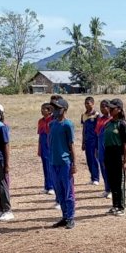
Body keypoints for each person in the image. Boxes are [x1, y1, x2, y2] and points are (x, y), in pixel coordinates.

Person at [48, 98, 76, 230]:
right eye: (53, 108)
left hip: (65, 163)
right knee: (59, 192)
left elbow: (71, 145)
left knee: (68, 192)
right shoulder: (52, 124)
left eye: (57, 108)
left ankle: (71, 218)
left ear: (64, 109)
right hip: (53, 162)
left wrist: (74, 163)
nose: (54, 110)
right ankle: (64, 217)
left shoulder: (67, 125)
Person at [103, 98, 126, 216]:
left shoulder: (122, 124)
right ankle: (114, 205)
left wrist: (125, 161)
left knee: (120, 182)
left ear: (119, 109)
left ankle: (121, 206)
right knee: (112, 181)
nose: (110, 110)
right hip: (108, 154)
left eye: (112, 108)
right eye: (109, 107)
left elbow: (125, 144)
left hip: (118, 154)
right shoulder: (108, 123)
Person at [80, 97, 100, 186]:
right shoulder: (83, 115)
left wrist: (98, 142)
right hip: (87, 141)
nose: (87, 105)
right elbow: (84, 129)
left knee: (94, 159)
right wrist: (83, 142)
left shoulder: (97, 115)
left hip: (94, 141)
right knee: (88, 159)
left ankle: (96, 178)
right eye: (85, 103)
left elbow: (99, 129)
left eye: (88, 103)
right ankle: (92, 177)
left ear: (93, 103)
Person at [95, 100, 112, 198]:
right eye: (101, 107)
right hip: (100, 147)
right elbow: (97, 133)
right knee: (103, 168)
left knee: (110, 168)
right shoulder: (100, 119)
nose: (102, 109)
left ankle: (112, 190)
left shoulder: (112, 119)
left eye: (104, 106)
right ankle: (107, 188)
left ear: (109, 107)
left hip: (109, 147)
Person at [37, 103, 55, 195]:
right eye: (41, 109)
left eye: (44, 109)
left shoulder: (53, 120)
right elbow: (40, 135)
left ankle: (51, 186)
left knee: (49, 166)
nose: (42, 111)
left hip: (50, 146)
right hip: (43, 145)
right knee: (45, 166)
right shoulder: (40, 121)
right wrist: (39, 148)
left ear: (49, 111)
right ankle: (46, 186)